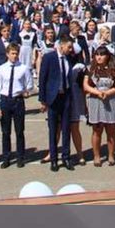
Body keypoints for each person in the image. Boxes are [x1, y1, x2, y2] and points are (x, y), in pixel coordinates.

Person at [38, 35, 76, 172]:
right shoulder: (49, 58)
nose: (70, 50)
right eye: (68, 47)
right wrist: (43, 100)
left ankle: (66, 157)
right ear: (61, 45)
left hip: (65, 96)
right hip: (53, 98)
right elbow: (42, 79)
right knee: (53, 130)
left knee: (66, 128)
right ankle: (54, 159)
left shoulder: (68, 58)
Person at [0, 42, 32, 168]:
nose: (15, 56)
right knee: (5, 131)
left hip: (18, 100)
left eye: (16, 53)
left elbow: (30, 84)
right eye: (12, 53)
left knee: (19, 131)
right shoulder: (1, 69)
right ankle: (6, 157)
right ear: (7, 54)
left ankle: (20, 157)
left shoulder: (23, 68)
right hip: (5, 101)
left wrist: (26, 91)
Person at [83, 46, 115, 167]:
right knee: (97, 130)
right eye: (97, 54)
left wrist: (108, 92)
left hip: (111, 101)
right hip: (96, 101)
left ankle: (111, 155)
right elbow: (85, 86)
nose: (99, 57)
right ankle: (97, 156)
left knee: (111, 130)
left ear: (107, 56)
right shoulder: (90, 69)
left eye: (102, 55)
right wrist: (98, 92)